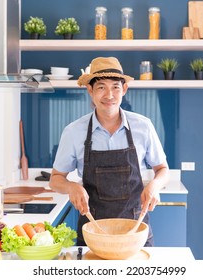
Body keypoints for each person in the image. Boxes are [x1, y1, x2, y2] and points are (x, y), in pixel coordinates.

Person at [49, 57, 169, 246]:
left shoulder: (143, 126)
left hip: (135, 231)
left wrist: (154, 186)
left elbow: (162, 169)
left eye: (115, 87)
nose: (109, 95)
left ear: (124, 89)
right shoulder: (73, 132)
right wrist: (72, 187)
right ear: (90, 90)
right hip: (92, 231)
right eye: (101, 87)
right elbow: (55, 179)